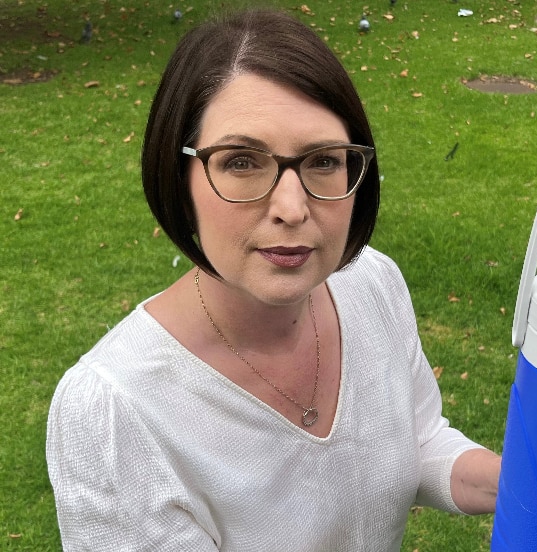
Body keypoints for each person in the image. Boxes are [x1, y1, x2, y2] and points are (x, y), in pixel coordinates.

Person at [46, 8, 501, 551]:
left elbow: (418, 438)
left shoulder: (371, 284)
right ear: (178, 177)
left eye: (323, 161)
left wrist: (524, 483)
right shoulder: (115, 411)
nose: (292, 207)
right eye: (241, 161)